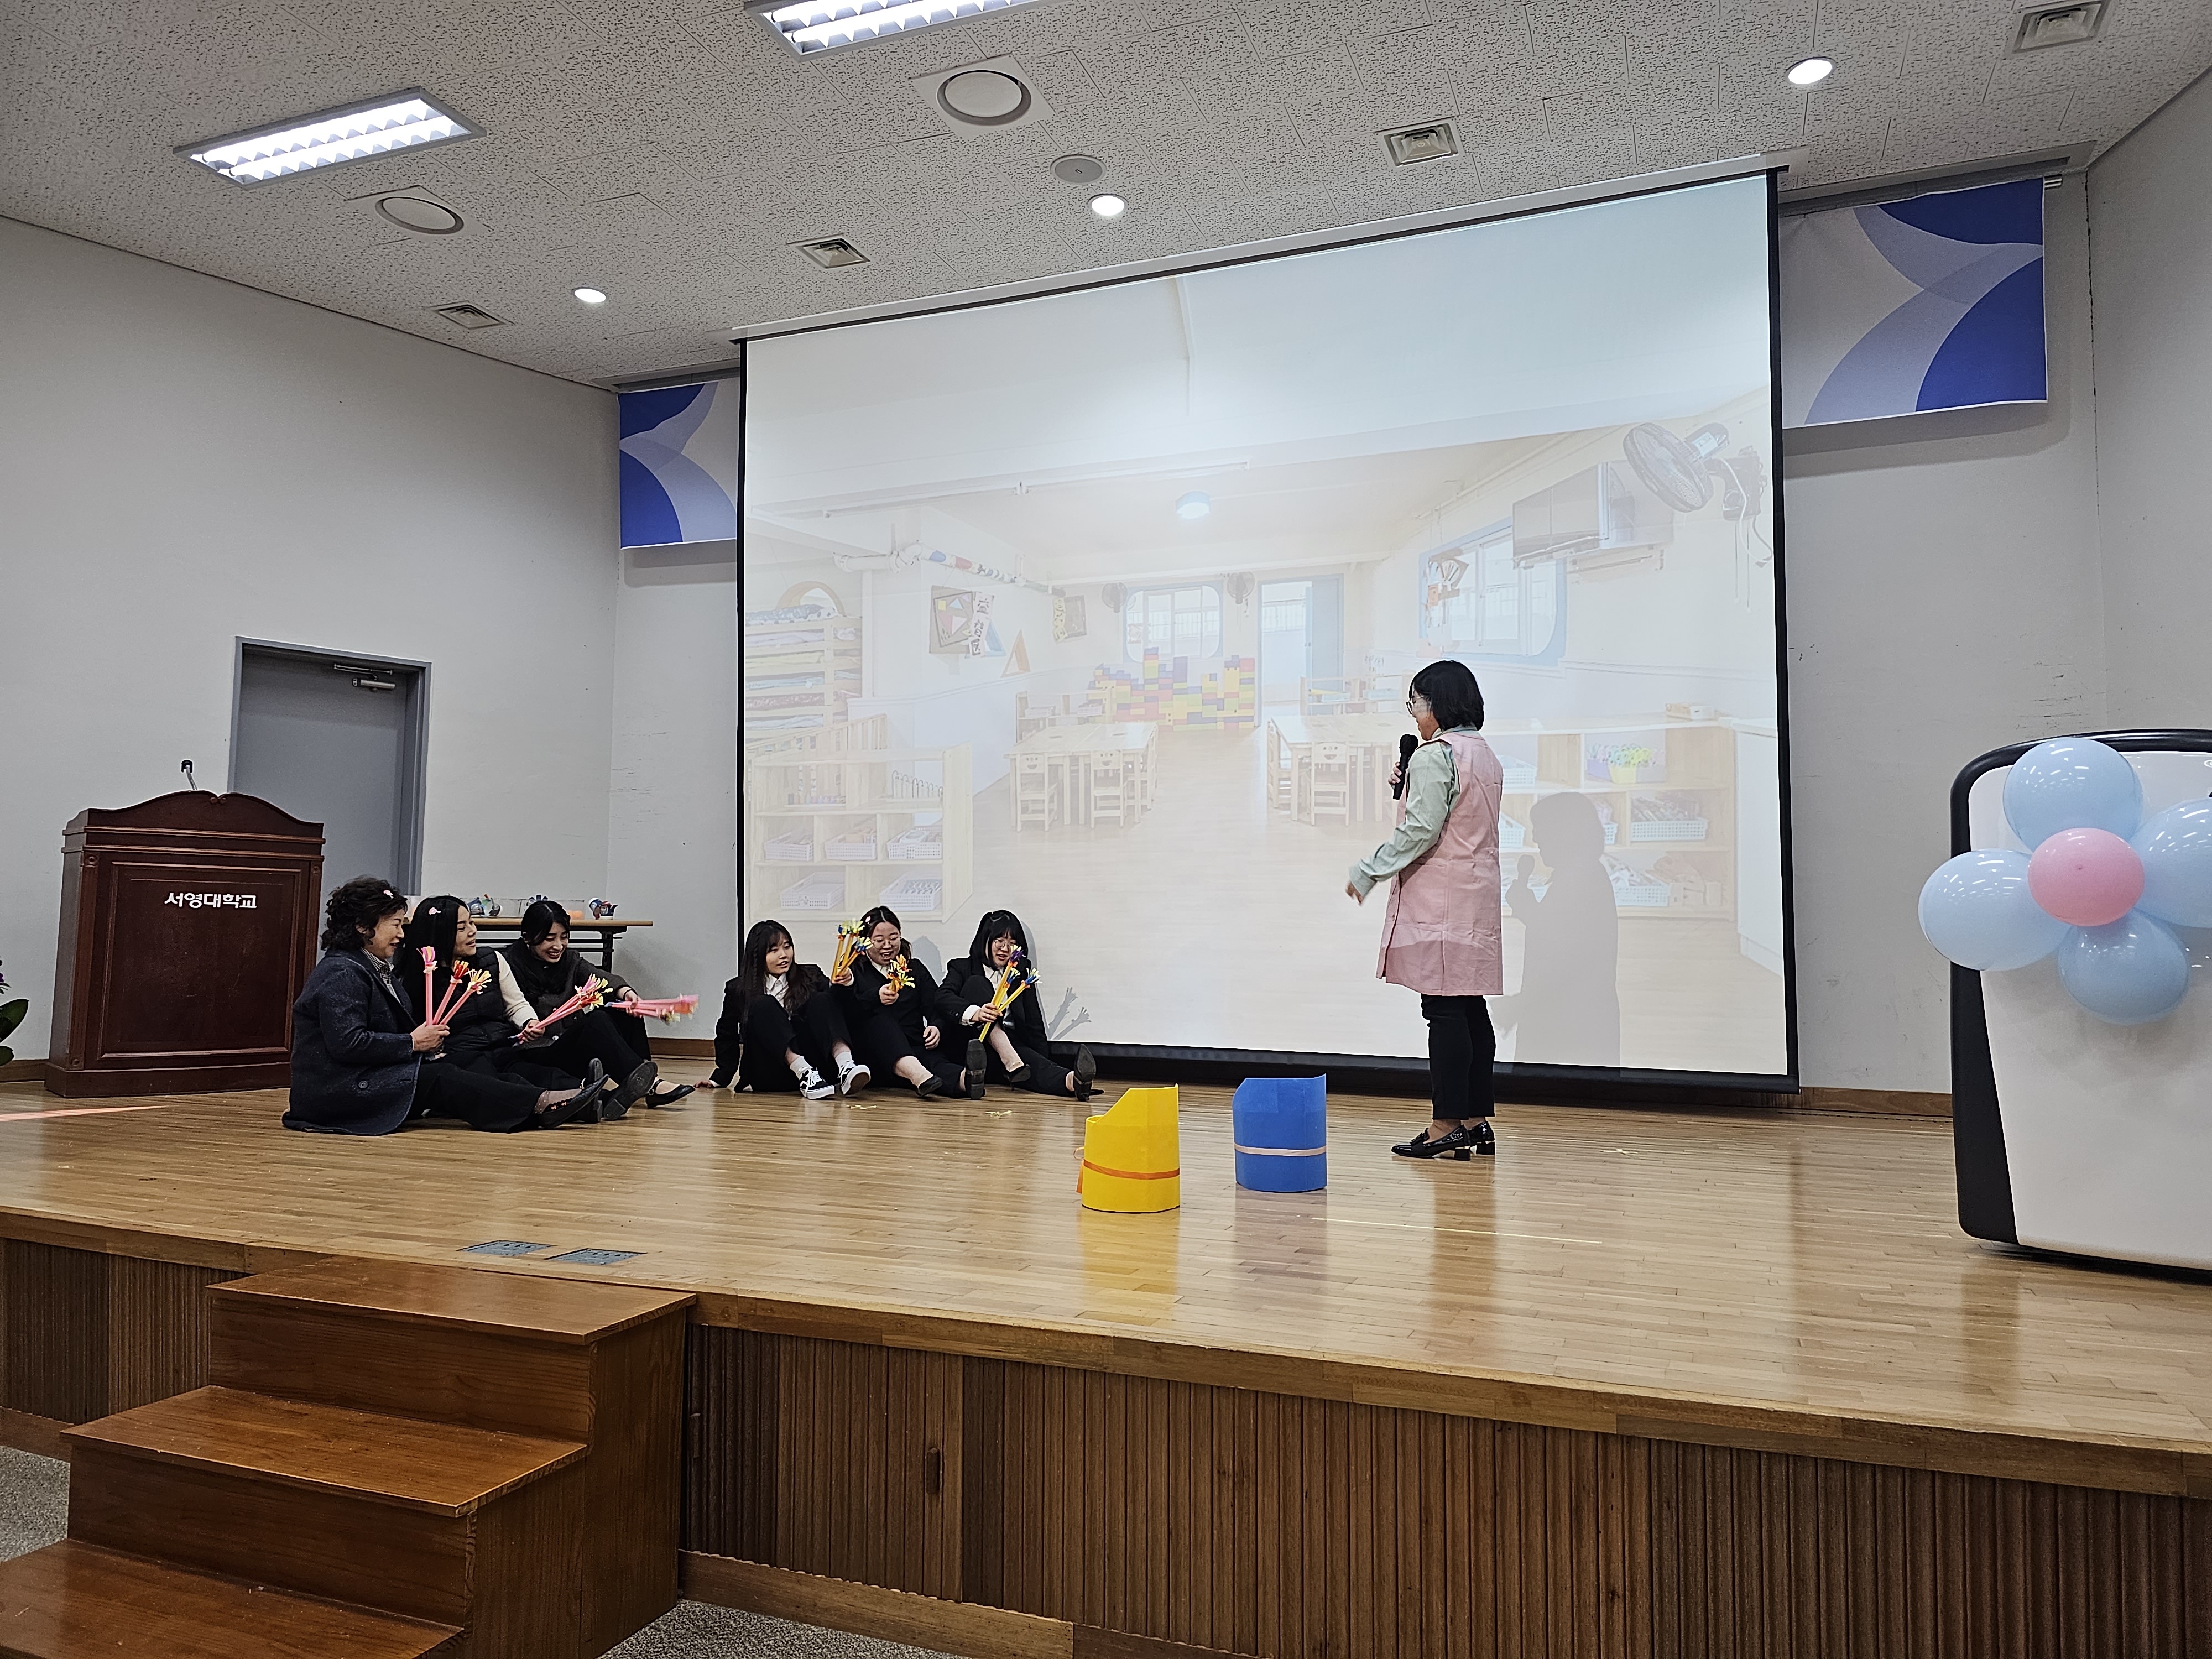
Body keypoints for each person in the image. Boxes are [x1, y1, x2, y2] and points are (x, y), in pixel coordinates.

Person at [285, 876, 602, 1136]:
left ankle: (557, 1102)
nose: (401, 934)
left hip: (374, 1076)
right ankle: (541, 1105)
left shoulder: (368, 967)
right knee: (444, 1076)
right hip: (341, 1092)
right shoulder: (342, 973)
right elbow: (348, 1044)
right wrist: (413, 1042)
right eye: (394, 925)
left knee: (460, 1067)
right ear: (363, 927)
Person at [1344, 659, 1504, 1160]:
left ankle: (1446, 1123)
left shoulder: (1437, 756)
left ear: (1438, 705)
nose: (1413, 714)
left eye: (1415, 703)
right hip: (1474, 896)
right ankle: (1475, 1121)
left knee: (1444, 1010)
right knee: (1469, 1007)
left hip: (1442, 899)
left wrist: (1369, 870)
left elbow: (1420, 830)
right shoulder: (1482, 753)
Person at [400, 895, 620, 1113]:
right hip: (461, 1055)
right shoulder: (418, 977)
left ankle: (599, 1097)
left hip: (501, 1047)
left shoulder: (492, 960)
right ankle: (561, 1106)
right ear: (439, 933)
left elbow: (515, 1004)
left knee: (539, 1073)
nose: (472, 931)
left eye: (472, 922)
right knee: (504, 1080)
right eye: (461, 928)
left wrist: (529, 1021)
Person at [503, 900, 693, 1110]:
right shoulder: (508, 965)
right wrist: (525, 1027)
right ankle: (647, 1084)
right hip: (537, 1054)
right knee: (596, 1020)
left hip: (567, 1047)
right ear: (528, 937)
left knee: (624, 1009)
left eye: (564, 937)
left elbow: (598, 976)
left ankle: (646, 1079)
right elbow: (509, 1011)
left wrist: (626, 992)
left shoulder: (570, 960)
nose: (558, 946)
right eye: (550, 939)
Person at [1500, 792, 1622, 1067]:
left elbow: (1563, 948)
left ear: (1564, 833)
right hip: (1571, 1014)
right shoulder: (1584, 874)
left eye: (1541, 829)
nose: (1536, 839)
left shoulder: (1581, 880)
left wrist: (1522, 1004)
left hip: (1573, 1022)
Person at [936, 910, 1096, 1101]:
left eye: (1012, 943)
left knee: (1030, 1059)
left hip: (1010, 1054)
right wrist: (976, 1013)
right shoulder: (961, 967)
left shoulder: (1021, 972)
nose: (1005, 949)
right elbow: (942, 997)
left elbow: (1034, 1022)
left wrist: (1043, 1060)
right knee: (978, 984)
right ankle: (1007, 1054)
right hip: (971, 1048)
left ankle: (1074, 1082)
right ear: (984, 940)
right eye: (999, 941)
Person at [703, 920, 872, 1098]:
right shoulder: (739, 989)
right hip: (771, 1073)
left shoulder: (810, 975)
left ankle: (845, 1066)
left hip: (819, 1072)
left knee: (823, 999)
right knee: (763, 1005)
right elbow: (727, 1033)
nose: (783, 955)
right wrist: (720, 1078)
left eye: (787, 947)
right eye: (773, 950)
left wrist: (846, 985)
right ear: (757, 955)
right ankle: (804, 1072)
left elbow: (836, 1011)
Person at [836, 906, 965, 1099]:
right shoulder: (852, 971)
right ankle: (919, 1075)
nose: (887, 945)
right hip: (874, 1052)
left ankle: (967, 1081)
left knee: (935, 1062)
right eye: (879, 940)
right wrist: (875, 997)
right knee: (880, 1021)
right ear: (864, 941)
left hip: (914, 1043)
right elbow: (845, 1013)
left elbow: (935, 1005)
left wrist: (937, 1027)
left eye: (894, 938)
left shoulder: (914, 968)